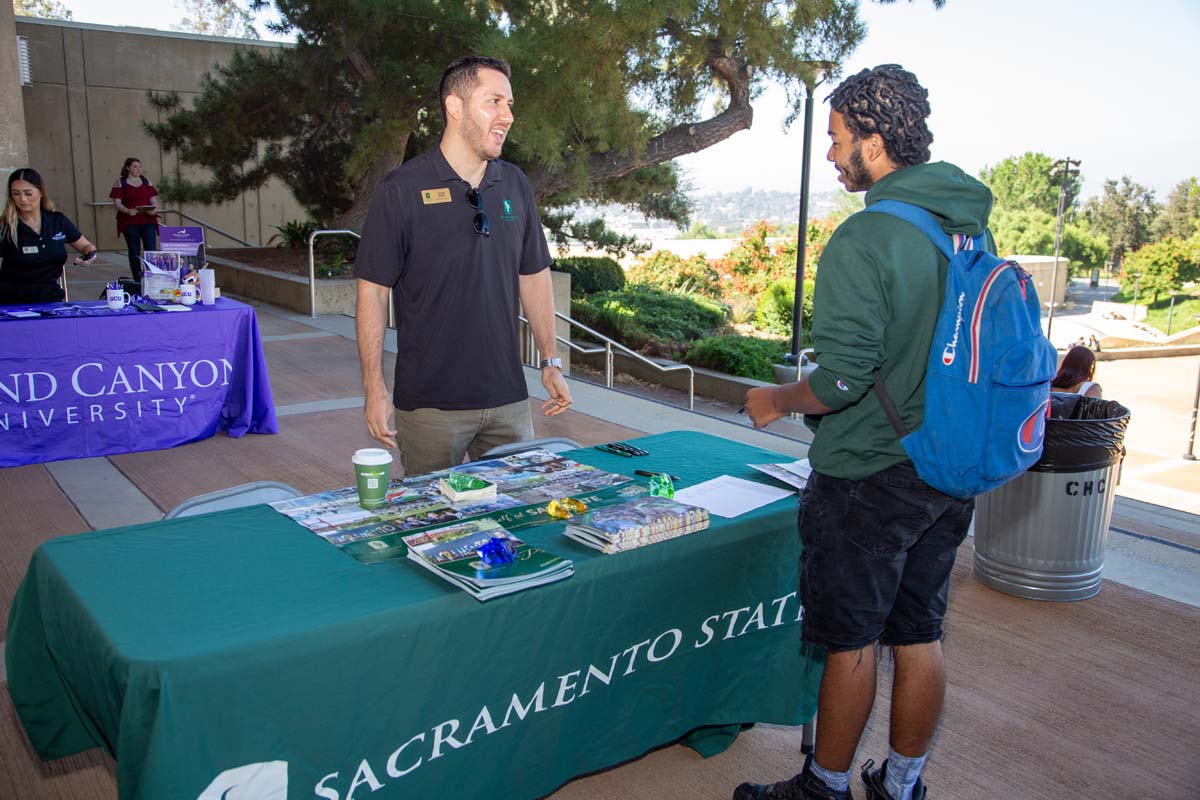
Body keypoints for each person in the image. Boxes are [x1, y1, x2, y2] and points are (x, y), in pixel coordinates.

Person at [737, 65, 988, 800]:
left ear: (874, 143)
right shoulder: (966, 224)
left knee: (851, 639)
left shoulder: (867, 236)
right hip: (948, 465)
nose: (832, 154)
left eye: (838, 137)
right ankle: (903, 784)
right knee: (919, 630)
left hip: (870, 478)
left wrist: (776, 399)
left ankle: (824, 786)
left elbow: (842, 379)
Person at [355, 55, 572, 477]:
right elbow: (373, 291)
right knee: (430, 527)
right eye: (494, 101)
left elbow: (533, 276)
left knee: (516, 519)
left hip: (508, 400)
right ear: (454, 107)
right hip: (430, 408)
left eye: (510, 105)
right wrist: (373, 385)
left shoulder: (515, 184)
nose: (507, 116)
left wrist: (550, 361)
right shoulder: (401, 190)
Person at [0, 168, 98, 305]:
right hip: (12, 302)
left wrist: (89, 256)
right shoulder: (5, 226)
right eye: (16, 194)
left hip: (51, 298)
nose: (22, 199)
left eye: (28, 193)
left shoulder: (57, 221)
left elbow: (87, 246)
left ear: (41, 193)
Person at [109, 157, 159, 280]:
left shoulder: (146, 181)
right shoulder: (121, 182)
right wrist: (127, 211)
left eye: (139, 167)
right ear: (128, 168)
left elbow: (154, 200)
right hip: (130, 220)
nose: (138, 169)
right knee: (134, 250)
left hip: (147, 219)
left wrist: (154, 210)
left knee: (151, 248)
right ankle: (137, 277)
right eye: (135, 167)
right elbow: (117, 202)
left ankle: (152, 276)